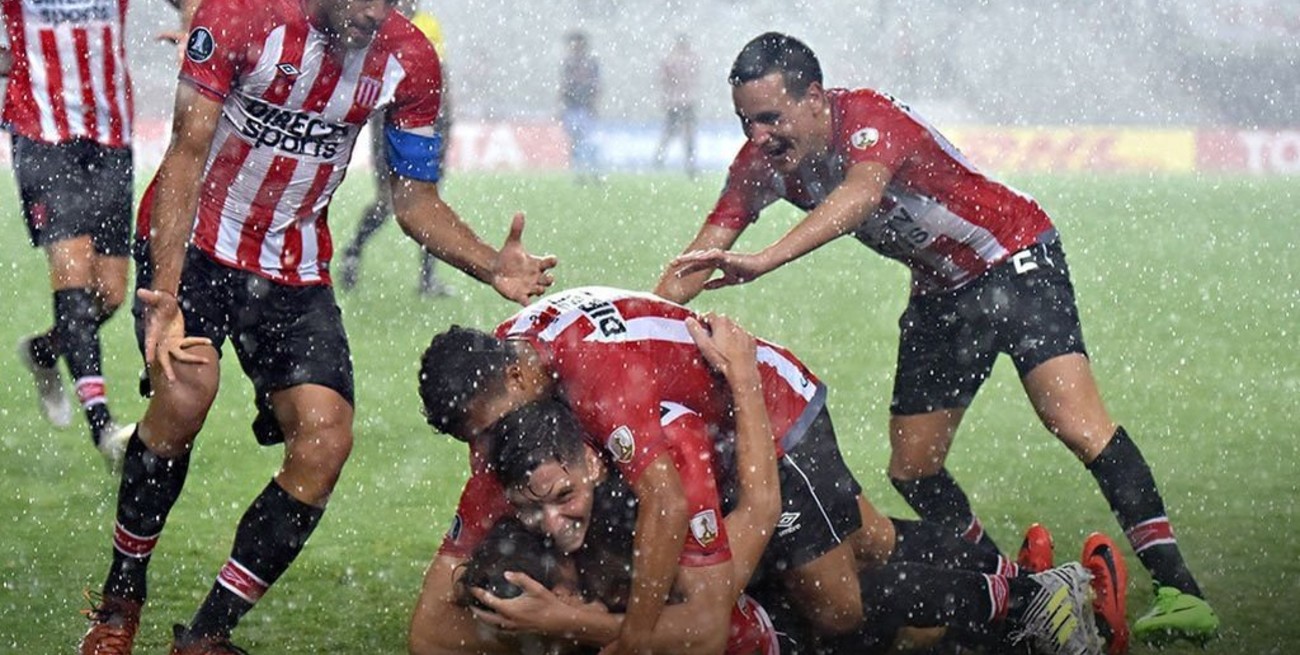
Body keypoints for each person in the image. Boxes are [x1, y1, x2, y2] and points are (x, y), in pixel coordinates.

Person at [656, 31, 1217, 647]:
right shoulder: (761, 165)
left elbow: (860, 195)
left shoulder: (868, 119)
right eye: (744, 122)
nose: (757, 136)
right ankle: (1024, 587)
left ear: (814, 98)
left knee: (1077, 423)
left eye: (769, 118)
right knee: (913, 469)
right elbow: (703, 253)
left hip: (1015, 258)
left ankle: (1180, 590)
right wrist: (642, 321)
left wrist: (765, 260)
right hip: (942, 295)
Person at [77, 0, 557, 652]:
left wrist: (488, 263)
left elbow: (412, 200)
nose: (371, 12)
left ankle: (207, 634)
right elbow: (186, 156)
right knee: (187, 392)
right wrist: (163, 293)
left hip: (291, 268)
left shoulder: (409, 57)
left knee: (326, 442)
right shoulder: (241, 15)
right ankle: (119, 600)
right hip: (193, 245)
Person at [414, 287, 1120, 655]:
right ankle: (1014, 579)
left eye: (487, 424)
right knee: (867, 541)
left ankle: (1029, 596)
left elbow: (664, 508)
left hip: (773, 411)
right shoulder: (516, 412)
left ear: (518, 371)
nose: (487, 445)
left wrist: (628, 632)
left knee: (835, 601)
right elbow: (430, 621)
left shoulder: (598, 387)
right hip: (715, 425)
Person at [3, 0, 137, 467]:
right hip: (42, 138)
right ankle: (103, 427)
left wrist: (189, 30)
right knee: (74, 274)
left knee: (111, 295)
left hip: (110, 139)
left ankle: (45, 350)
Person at [338, 0, 455, 297]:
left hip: (426, 124)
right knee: (387, 202)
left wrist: (445, 123)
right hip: (390, 123)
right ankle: (353, 251)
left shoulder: (427, 24)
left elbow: (439, 78)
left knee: (428, 199)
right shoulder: (379, 24)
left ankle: (427, 278)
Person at [653, 34, 701, 178]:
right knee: (688, 134)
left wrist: (666, 97)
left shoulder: (670, 60)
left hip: (674, 101)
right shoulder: (692, 59)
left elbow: (663, 80)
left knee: (670, 132)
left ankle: (660, 159)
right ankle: (690, 164)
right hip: (688, 101)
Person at [559, 30, 601, 184]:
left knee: (588, 142)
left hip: (585, 107)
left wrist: (594, 104)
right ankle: (579, 174)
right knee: (576, 142)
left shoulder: (591, 63)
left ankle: (593, 172)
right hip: (572, 107)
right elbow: (564, 85)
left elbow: (596, 85)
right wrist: (561, 105)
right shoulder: (568, 64)